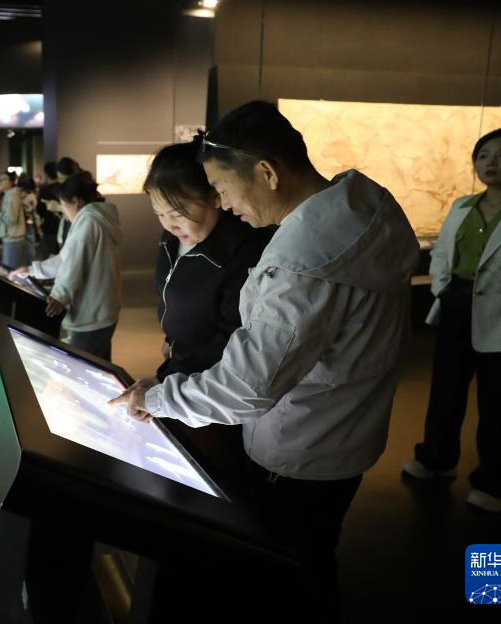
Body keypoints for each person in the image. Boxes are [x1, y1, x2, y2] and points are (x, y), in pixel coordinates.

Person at [109, 101, 419, 621]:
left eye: (223, 188)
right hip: (344, 433)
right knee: (310, 558)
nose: (226, 204)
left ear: (267, 173)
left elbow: (247, 386)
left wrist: (157, 398)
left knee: (290, 573)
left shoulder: (303, 264)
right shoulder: (360, 216)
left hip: (301, 447)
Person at [403, 126, 501, 512]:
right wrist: (442, 289)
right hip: (456, 308)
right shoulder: (462, 206)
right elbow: (442, 254)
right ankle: (436, 458)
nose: (491, 162)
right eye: (483, 156)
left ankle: (496, 483)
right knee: (445, 392)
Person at [145, 140, 273, 381]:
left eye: (177, 214)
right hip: (180, 360)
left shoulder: (243, 251)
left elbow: (234, 337)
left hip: (212, 378)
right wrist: (173, 341)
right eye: (159, 214)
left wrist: (174, 374)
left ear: (216, 196)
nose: (169, 225)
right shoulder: (171, 239)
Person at [12, 172, 123, 361]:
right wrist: (32, 270)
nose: (63, 210)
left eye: (63, 205)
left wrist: (59, 295)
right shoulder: (96, 219)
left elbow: (73, 264)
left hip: (92, 314)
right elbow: (66, 259)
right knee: (99, 365)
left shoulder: (88, 222)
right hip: (101, 310)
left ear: (75, 202)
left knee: (84, 367)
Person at [0, 172, 27, 268]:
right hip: (11, 237)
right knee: (11, 268)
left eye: (4, 179)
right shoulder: (9, 195)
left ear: (12, 182)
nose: (1, 181)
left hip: (13, 238)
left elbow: (10, 220)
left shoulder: (12, 195)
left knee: (10, 270)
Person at [36, 161, 61, 258]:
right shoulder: (63, 188)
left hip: (49, 227)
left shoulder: (44, 190)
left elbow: (39, 210)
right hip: (62, 226)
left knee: (47, 259)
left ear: (46, 174)